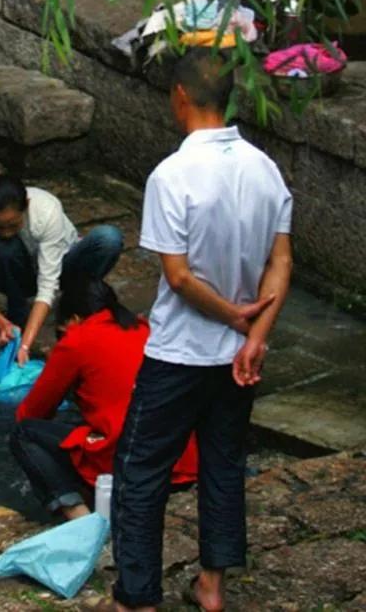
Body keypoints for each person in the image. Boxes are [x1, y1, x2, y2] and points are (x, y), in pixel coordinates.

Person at [109, 49, 293, 612]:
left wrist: (235, 317)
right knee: (223, 463)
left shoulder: (172, 175)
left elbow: (179, 276)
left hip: (180, 352)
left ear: (180, 97)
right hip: (239, 357)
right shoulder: (265, 168)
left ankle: (137, 598)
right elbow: (281, 261)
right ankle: (212, 586)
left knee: (141, 469)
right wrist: (255, 334)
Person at [10, 279, 198, 520]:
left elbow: (31, 413)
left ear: (75, 319)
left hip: (129, 459)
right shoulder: (144, 329)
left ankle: (79, 517)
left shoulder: (77, 339)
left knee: (24, 434)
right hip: (181, 457)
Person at [0, 174, 123, 366]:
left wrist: (26, 345)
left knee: (108, 238)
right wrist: (3, 324)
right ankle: (17, 313)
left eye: (13, 225)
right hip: (16, 274)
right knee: (5, 247)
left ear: (26, 206)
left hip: (63, 267)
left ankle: (76, 302)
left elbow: (47, 285)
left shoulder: (46, 210)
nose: (6, 232)